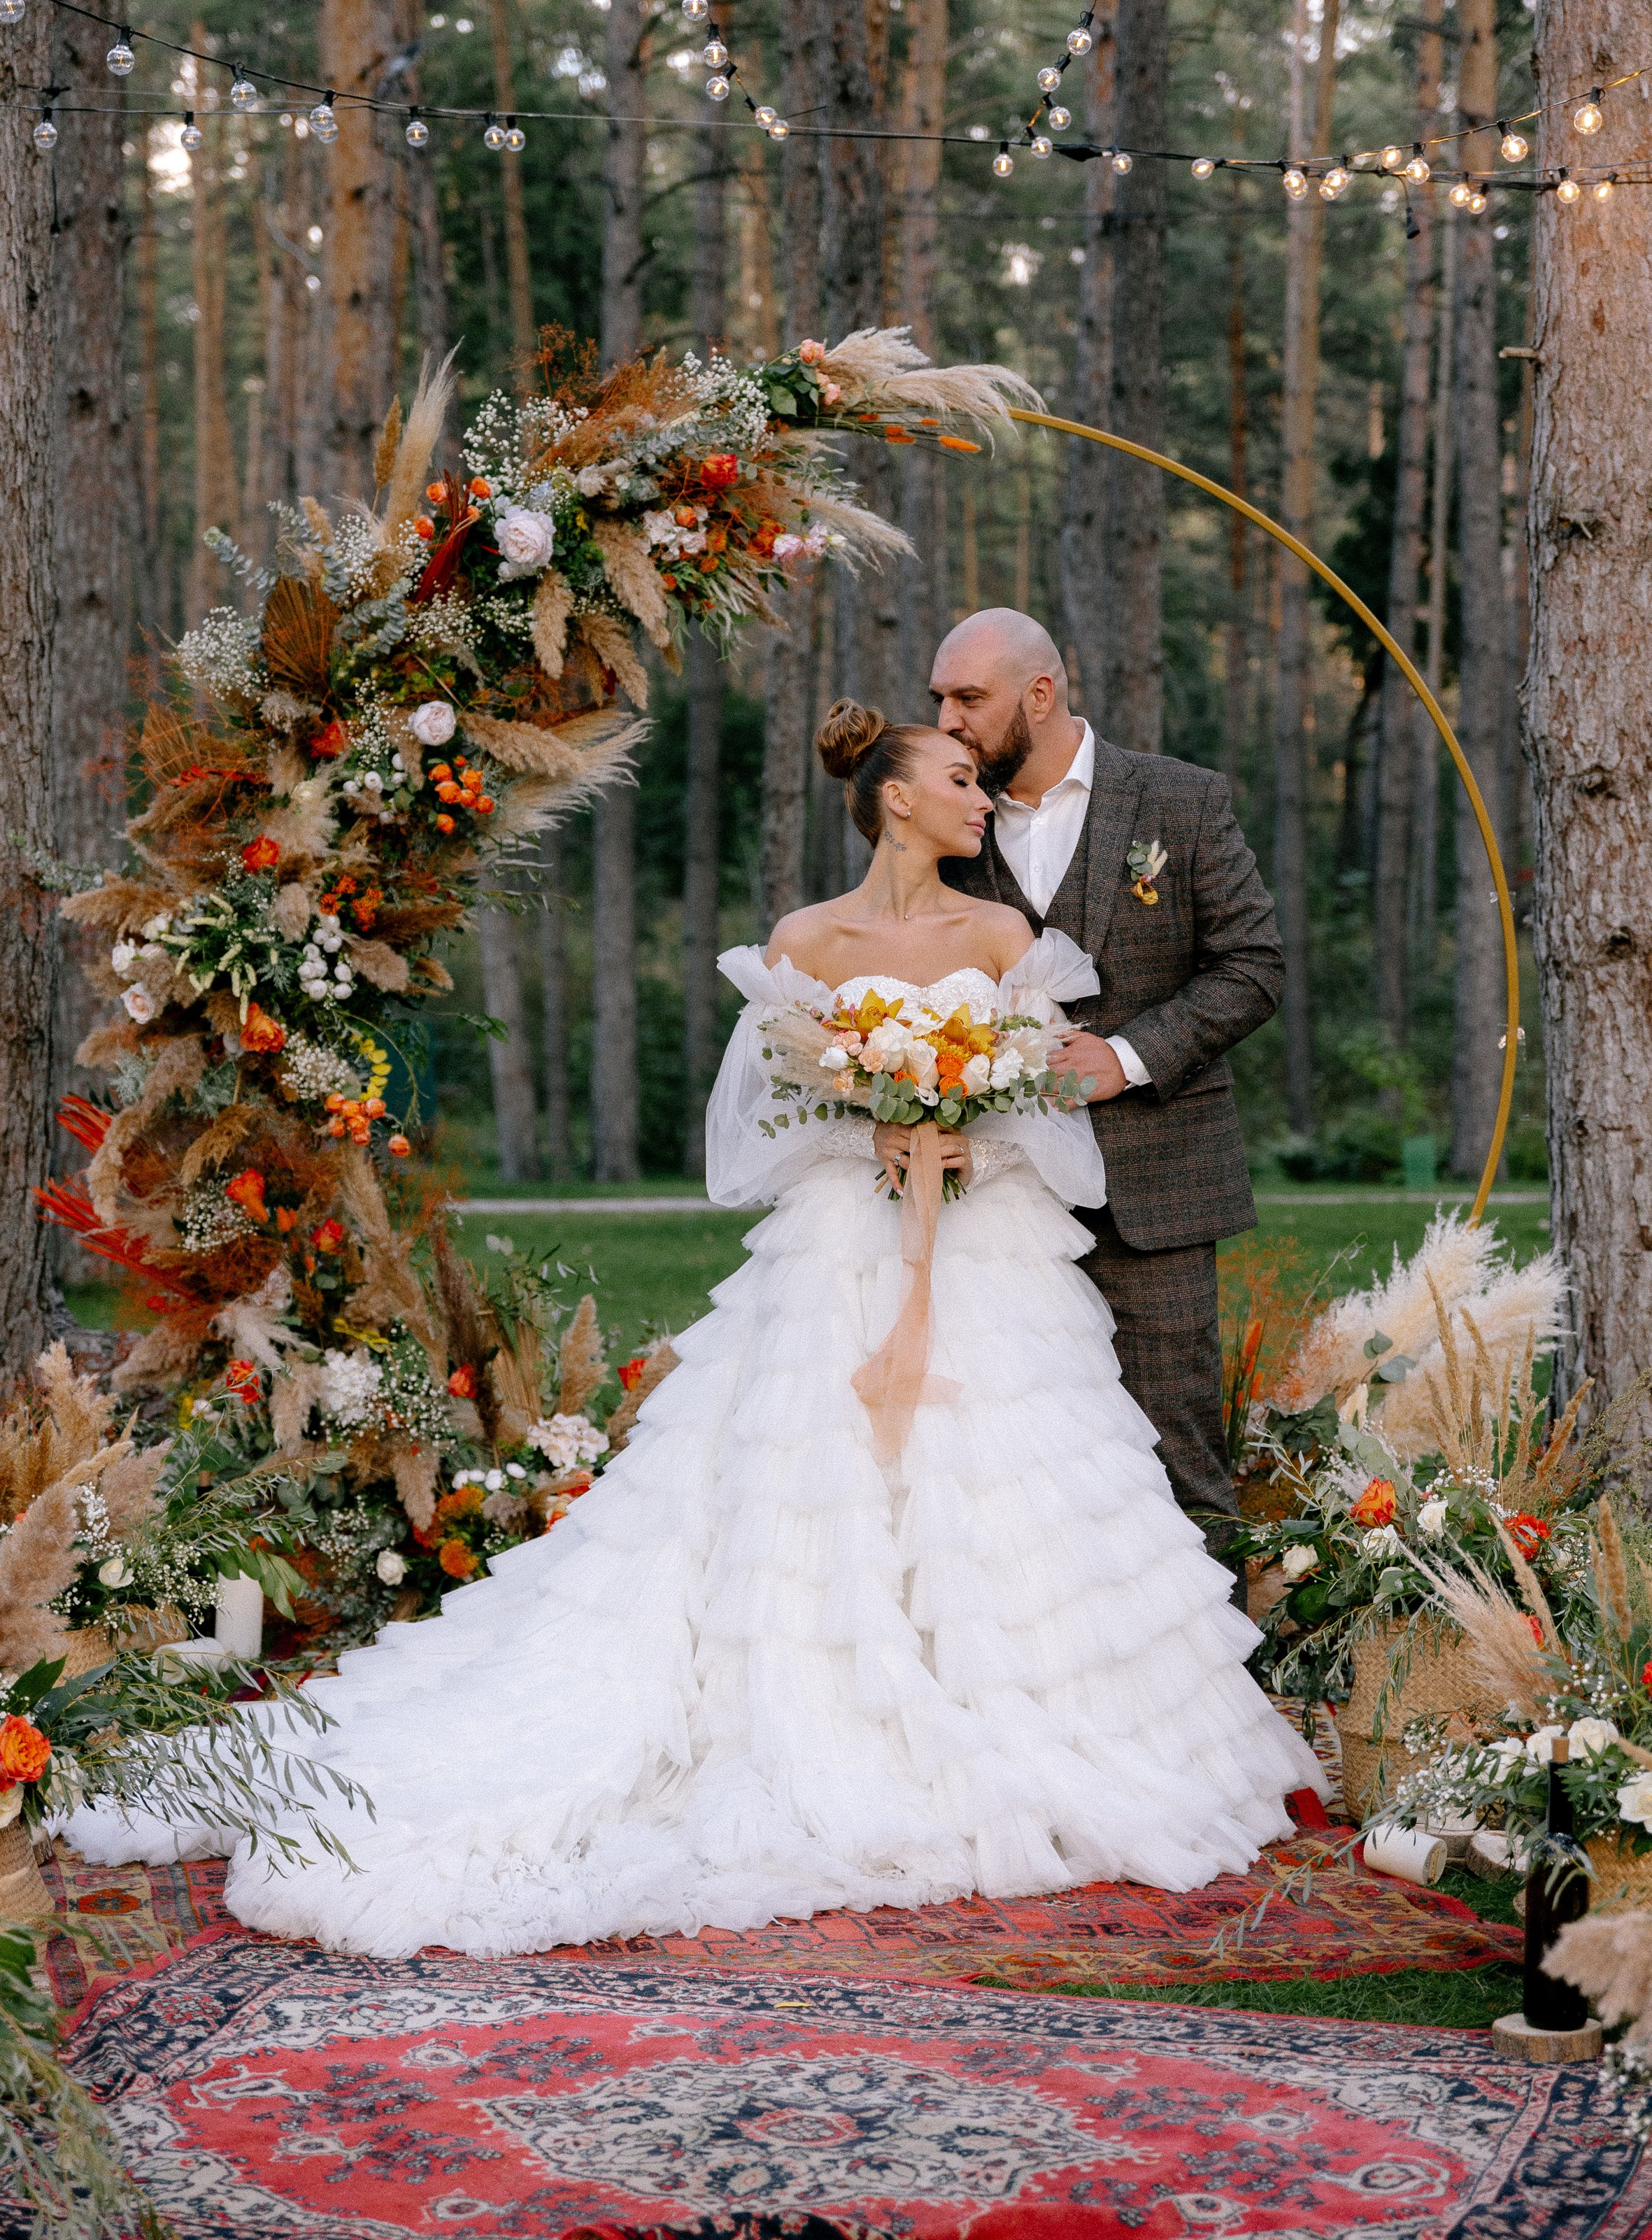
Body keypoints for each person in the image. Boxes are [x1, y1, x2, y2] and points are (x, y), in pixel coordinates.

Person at [66, 702, 1321, 1958]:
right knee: (809, 1479)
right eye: (957, 778)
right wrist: (871, 1134)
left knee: (1007, 1478)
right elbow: (764, 1132)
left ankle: (1021, 1712)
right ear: (895, 797)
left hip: (988, 1250)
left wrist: (966, 1141)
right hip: (839, 1246)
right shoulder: (806, 942)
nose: (979, 797)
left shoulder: (1005, 937)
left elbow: (1052, 1113)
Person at [932, 610, 1284, 1585]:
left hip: (1154, 1192)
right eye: (940, 699)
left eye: (969, 698)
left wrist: (1125, 1057)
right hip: (997, 1205)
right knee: (1013, 1457)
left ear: (1039, 695)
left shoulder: (1179, 800)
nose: (948, 720)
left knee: (1178, 1454)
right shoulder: (944, 821)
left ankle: (1218, 1664)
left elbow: (1252, 965)